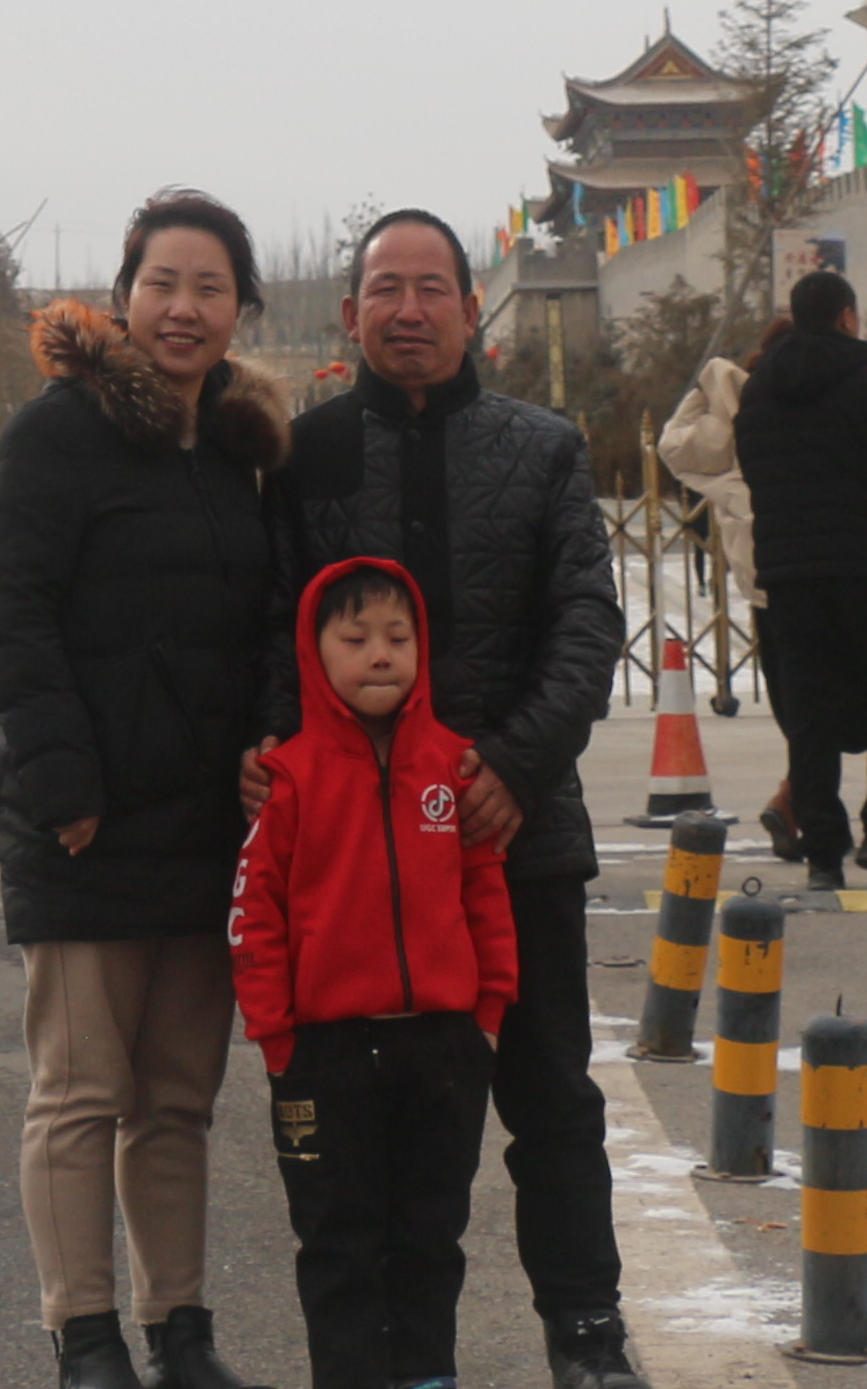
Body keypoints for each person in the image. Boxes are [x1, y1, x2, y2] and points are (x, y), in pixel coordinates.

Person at [256, 210, 646, 1389]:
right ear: (351, 313)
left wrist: (514, 768)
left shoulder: (541, 449)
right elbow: (270, 633)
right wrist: (271, 749)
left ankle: (586, 1334)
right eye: (387, 289)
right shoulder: (306, 455)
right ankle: (387, 1361)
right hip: (351, 871)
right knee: (376, 1154)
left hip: (510, 841)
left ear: (474, 310)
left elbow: (587, 623)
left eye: (433, 288)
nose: (410, 310)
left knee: (551, 1105)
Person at [0, 192, 294, 1389]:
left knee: (176, 1097)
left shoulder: (239, 451)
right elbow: (13, 613)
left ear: (238, 309)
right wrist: (62, 779)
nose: (184, 308)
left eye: (210, 287)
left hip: (210, 824)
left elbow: (266, 622)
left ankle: (183, 1330)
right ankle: (85, 1335)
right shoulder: (57, 436)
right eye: (164, 283)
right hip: (89, 819)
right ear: (125, 295)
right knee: (78, 1092)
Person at [234, 558, 517, 1389]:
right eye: (355, 639)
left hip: (442, 1046)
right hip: (323, 1054)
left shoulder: (454, 766)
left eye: (398, 637)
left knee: (431, 1233)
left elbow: (485, 894)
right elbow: (254, 919)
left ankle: (427, 1374)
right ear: (314, 652)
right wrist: (277, 1040)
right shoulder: (287, 779)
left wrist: (488, 1015)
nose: (380, 655)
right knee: (338, 1241)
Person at [733, 271, 867, 888]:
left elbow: (753, 471)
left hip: (790, 577)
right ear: (848, 316)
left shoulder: (760, 390)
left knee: (811, 712)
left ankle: (823, 851)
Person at [646, 346, 785, 854]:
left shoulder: (730, 421)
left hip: (763, 568)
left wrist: (698, 396)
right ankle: (805, 798)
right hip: (823, 565)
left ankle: (799, 796)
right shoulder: (799, 413)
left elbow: (673, 446)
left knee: (791, 691)